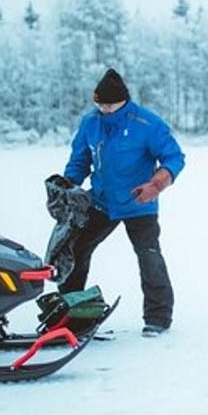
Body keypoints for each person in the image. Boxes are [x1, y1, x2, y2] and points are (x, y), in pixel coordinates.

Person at [61, 68, 185, 337]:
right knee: (76, 250)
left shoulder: (147, 123)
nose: (104, 109)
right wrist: (68, 184)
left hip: (139, 201)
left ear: (123, 101)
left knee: (148, 256)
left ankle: (158, 317)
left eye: (109, 104)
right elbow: (80, 159)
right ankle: (71, 314)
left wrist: (156, 184)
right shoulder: (89, 123)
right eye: (99, 104)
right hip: (101, 202)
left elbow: (174, 157)